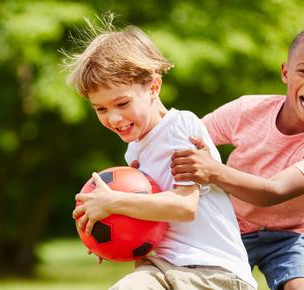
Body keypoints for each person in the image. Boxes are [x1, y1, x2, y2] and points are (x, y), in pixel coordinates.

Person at [64, 15, 257, 290]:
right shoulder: (133, 152)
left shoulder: (181, 128)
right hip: (160, 267)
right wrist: (110, 234)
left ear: (154, 87)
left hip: (211, 271)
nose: (115, 118)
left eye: (122, 102)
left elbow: (184, 206)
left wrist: (112, 202)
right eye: (101, 109)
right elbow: (148, 219)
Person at [170, 31, 304, 290]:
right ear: (285, 74)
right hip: (230, 227)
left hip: (290, 236)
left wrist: (213, 171)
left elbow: (273, 191)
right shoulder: (247, 111)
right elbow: (183, 139)